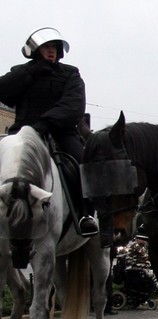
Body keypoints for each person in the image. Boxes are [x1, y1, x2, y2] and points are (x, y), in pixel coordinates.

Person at [0, 27, 98, 236]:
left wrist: (46, 122)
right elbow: (4, 92)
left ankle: (85, 214)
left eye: (54, 47)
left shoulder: (70, 73)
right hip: (22, 133)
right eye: (46, 47)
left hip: (60, 133)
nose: (51, 50)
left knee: (83, 163)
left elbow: (73, 105)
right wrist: (30, 72)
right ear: (36, 50)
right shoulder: (21, 71)